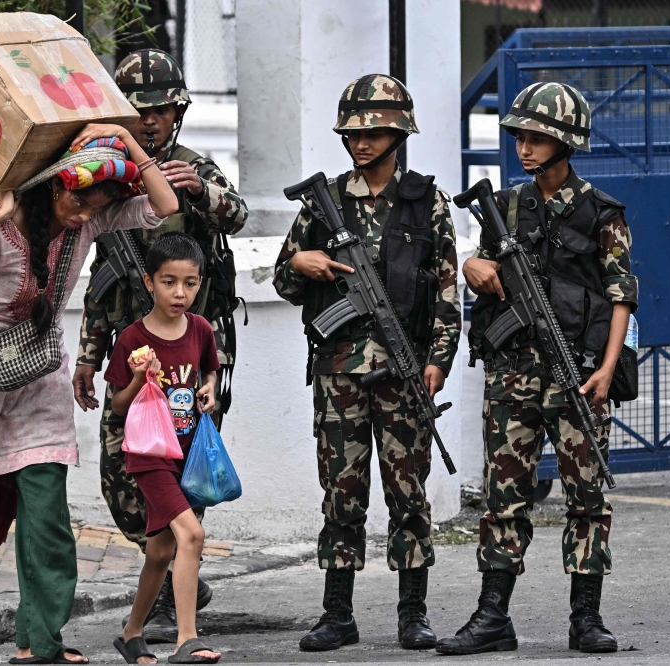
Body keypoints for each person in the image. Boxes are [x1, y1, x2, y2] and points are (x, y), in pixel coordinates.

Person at [0, 124, 178, 664]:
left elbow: (161, 205)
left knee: (46, 506)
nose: (81, 214)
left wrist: (123, 136)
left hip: (39, 366)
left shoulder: (91, 221)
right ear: (52, 185)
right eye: (77, 201)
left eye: (93, 205)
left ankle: (40, 639)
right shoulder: (4, 220)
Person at [434, 82, 637, 656]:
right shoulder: (509, 207)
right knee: (504, 497)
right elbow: (478, 259)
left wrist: (606, 370)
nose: (524, 147)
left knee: (587, 497)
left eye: (537, 137)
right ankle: (492, 615)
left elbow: (623, 297)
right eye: (519, 136)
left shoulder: (603, 214)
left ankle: (586, 618)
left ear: (565, 143)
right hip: (513, 376)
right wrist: (474, 264)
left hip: (578, 375)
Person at [272, 74, 461, 652]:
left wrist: (438, 364)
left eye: (374, 132)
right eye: (353, 133)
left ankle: (413, 612)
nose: (361, 142)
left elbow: (449, 296)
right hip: (337, 371)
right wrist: (303, 262)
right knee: (342, 492)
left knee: (409, 491)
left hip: (404, 373)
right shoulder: (322, 204)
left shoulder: (428, 204)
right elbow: (283, 281)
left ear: (398, 132)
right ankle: (337, 613)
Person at [72, 48, 248, 642]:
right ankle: (176, 563)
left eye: (163, 110)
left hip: (188, 354)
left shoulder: (195, 167)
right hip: (130, 357)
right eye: (139, 111)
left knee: (183, 471)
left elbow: (240, 215)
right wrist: (88, 356)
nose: (151, 122)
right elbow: (102, 278)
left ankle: (178, 587)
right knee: (121, 478)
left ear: (179, 111)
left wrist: (200, 191)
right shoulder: (102, 168)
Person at [107, 233, 222, 665]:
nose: (180, 293)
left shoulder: (201, 328)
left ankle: (132, 633)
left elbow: (209, 372)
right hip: (150, 455)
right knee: (191, 535)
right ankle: (187, 639)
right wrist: (140, 379)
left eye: (190, 283)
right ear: (148, 281)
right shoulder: (132, 338)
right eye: (169, 281)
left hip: (187, 452)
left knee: (160, 550)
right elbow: (119, 404)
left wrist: (209, 391)